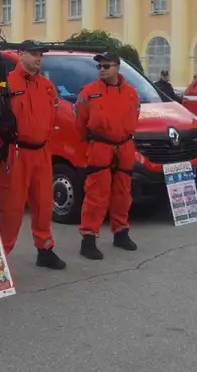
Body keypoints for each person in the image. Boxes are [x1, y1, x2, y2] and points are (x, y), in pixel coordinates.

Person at [0, 40, 66, 270]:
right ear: (20, 54)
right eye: (33, 53)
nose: (39, 58)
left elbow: (53, 117)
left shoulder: (47, 86)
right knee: (10, 208)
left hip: (41, 151)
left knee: (43, 204)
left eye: (40, 54)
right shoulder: (4, 84)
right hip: (15, 152)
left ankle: (45, 249)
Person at [74, 51, 141, 260]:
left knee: (123, 193)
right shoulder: (89, 92)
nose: (102, 70)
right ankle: (88, 239)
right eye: (99, 67)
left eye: (106, 66)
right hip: (100, 146)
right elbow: (80, 122)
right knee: (96, 194)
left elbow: (135, 115)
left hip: (125, 146)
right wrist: (92, 141)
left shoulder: (131, 93)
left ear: (117, 68)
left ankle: (121, 233)